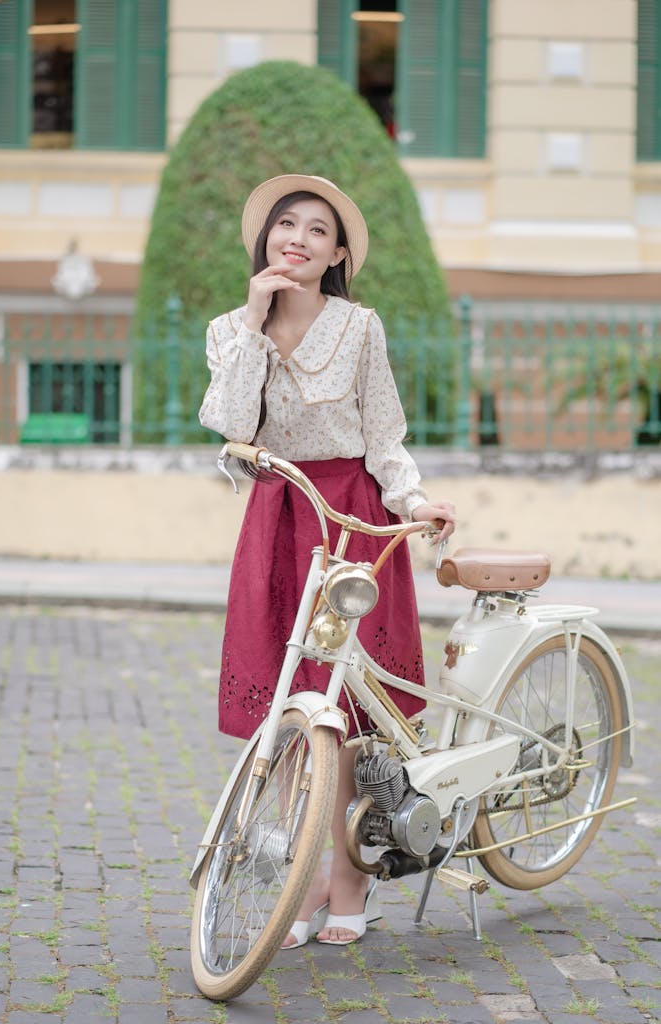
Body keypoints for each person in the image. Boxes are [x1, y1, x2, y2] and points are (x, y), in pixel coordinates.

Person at [199, 173, 456, 947]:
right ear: (265, 240)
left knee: (342, 712)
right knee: (288, 709)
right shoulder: (228, 330)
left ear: (336, 252)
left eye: (316, 230)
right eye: (286, 224)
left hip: (352, 521)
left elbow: (382, 436)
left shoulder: (359, 326)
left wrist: (413, 503)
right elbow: (229, 428)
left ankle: (347, 881)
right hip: (278, 515)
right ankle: (304, 878)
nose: (297, 239)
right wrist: (252, 319)